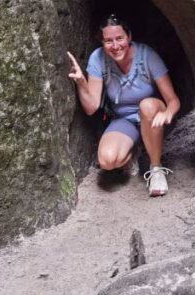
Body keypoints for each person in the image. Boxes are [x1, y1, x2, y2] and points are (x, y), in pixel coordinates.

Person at [67, 15, 180, 196]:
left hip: (153, 118)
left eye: (119, 38)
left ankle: (156, 169)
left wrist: (167, 113)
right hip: (125, 120)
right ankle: (136, 148)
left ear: (129, 37)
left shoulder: (147, 56)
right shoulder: (98, 59)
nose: (115, 45)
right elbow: (91, 107)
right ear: (102, 43)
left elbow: (173, 100)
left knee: (147, 106)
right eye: (108, 41)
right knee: (107, 161)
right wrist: (81, 82)